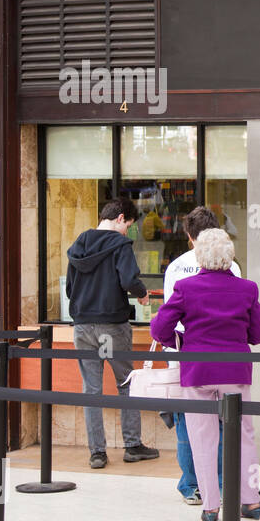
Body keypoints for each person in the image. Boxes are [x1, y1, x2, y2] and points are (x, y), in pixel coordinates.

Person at [150, 228, 260, 521]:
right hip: (235, 371)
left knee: (202, 438)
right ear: (230, 255)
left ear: (200, 255)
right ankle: (251, 501)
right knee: (244, 435)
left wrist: (180, 341)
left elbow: (159, 329)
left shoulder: (186, 287)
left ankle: (211, 505)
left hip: (198, 370)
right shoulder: (247, 288)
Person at [66, 198, 160, 469]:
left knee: (91, 390)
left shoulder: (79, 244)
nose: (128, 231)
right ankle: (132, 446)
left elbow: (71, 290)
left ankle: (97, 453)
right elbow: (129, 280)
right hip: (111, 327)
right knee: (126, 384)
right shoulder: (120, 245)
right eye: (129, 225)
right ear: (120, 218)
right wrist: (142, 294)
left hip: (82, 327)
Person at [162, 206, 241, 505]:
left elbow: (166, 318)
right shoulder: (231, 266)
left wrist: (175, 343)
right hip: (226, 357)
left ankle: (191, 484)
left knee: (187, 422)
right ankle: (220, 483)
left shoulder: (176, 268)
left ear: (188, 235)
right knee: (224, 422)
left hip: (185, 354)